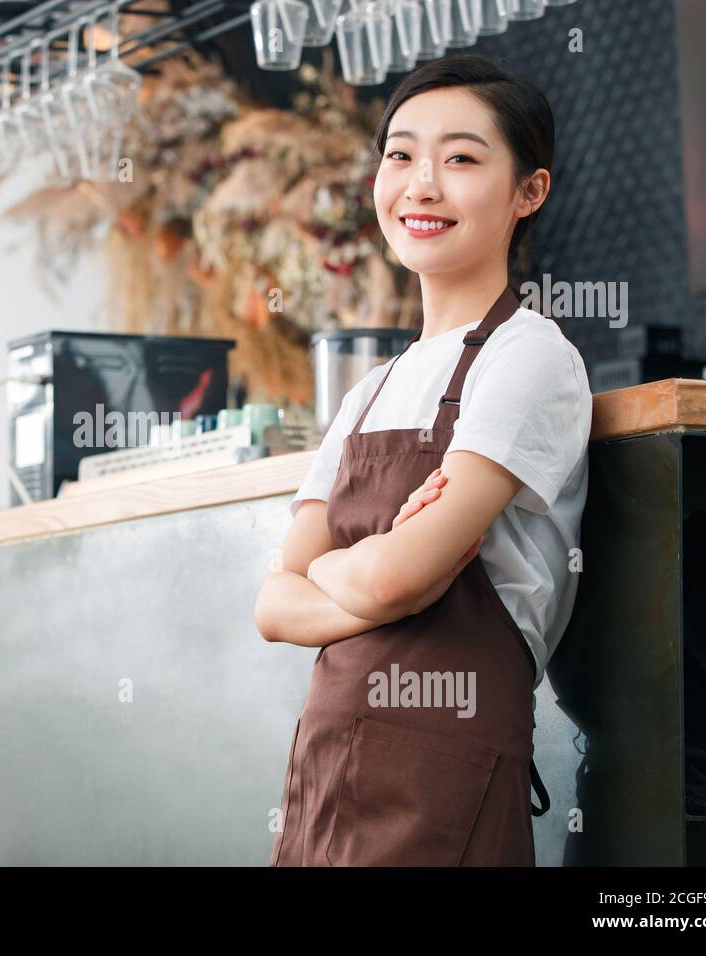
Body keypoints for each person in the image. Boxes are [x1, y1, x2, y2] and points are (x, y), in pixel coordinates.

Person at [254, 53, 592, 867]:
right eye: (401, 155)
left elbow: (396, 578)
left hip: (444, 779)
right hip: (326, 775)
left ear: (529, 192)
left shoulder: (530, 359)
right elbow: (273, 607)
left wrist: (348, 570)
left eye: (463, 158)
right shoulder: (370, 391)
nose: (422, 184)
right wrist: (374, 566)